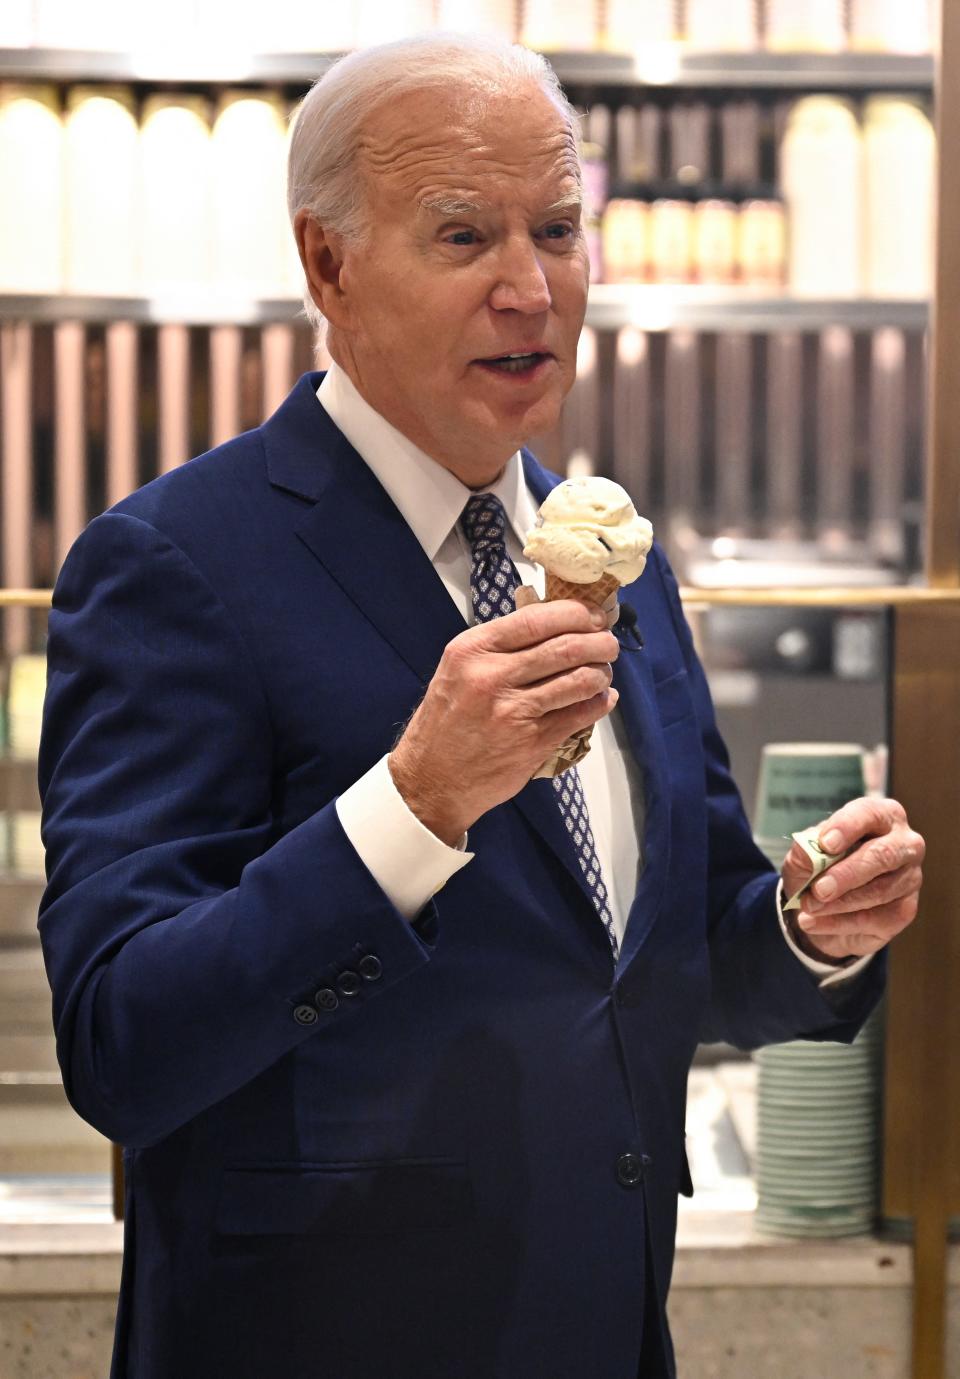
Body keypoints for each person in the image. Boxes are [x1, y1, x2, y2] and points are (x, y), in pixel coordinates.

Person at [38, 33, 924, 1379]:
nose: (533, 287)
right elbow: (125, 1046)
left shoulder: (623, 560)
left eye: (558, 228)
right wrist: (413, 804)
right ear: (329, 265)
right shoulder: (178, 564)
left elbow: (671, 957)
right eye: (464, 236)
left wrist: (806, 930)